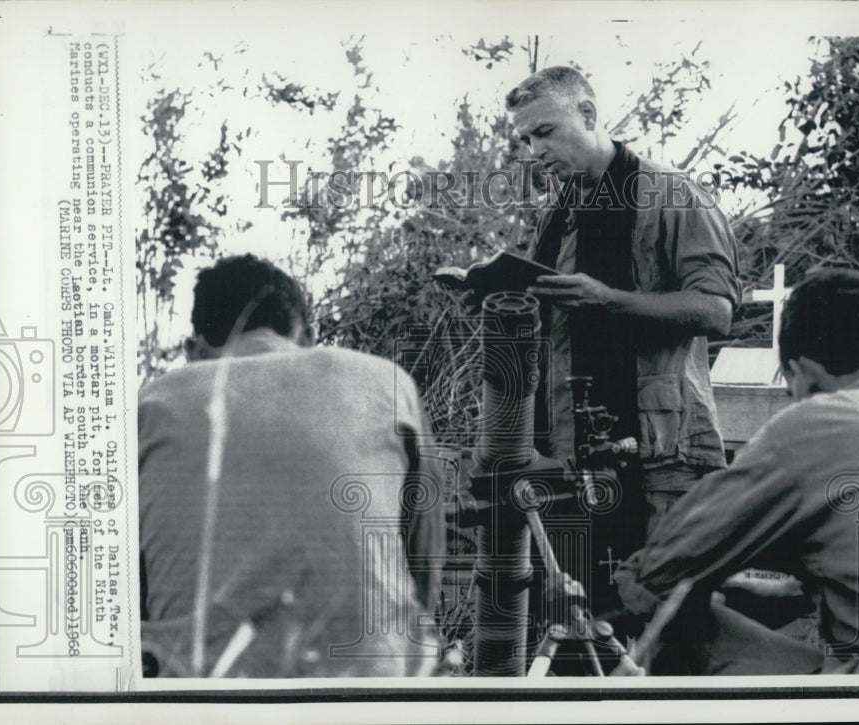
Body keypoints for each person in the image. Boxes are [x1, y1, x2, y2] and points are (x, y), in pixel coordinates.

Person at [613, 269, 859, 675]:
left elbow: (654, 576)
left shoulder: (825, 420)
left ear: (804, 373)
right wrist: (795, 593)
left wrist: (707, 589)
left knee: (680, 622)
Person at [138, 254, 445, 677]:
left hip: (201, 702)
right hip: (374, 694)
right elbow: (423, 566)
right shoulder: (387, 383)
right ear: (309, 337)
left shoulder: (152, 404)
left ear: (194, 351)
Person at [505, 66, 742, 614]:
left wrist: (608, 299)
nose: (535, 150)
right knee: (582, 634)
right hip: (573, 459)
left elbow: (716, 310)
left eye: (545, 131)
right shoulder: (559, 216)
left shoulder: (673, 194)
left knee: (675, 631)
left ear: (587, 114)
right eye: (526, 140)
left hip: (663, 458)